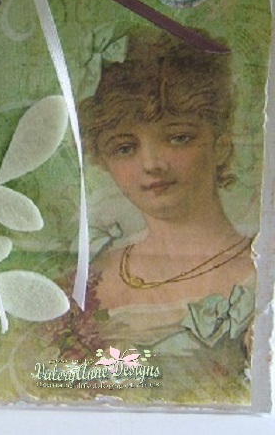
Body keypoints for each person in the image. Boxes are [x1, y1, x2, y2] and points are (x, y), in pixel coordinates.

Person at [79, 32, 256, 341]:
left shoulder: (259, 271)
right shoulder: (93, 279)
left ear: (221, 145)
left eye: (178, 138)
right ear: (104, 160)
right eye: (125, 148)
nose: (151, 164)